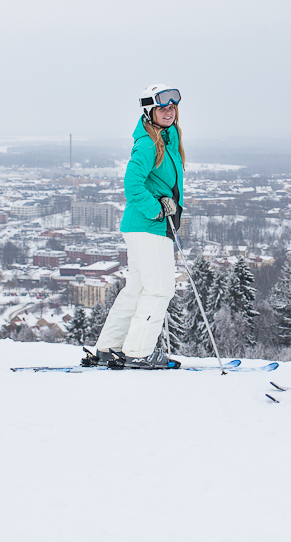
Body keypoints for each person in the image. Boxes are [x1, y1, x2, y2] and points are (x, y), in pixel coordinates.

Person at [85, 84, 185, 369]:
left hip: (142, 227)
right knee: (160, 290)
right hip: (148, 226)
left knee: (138, 288)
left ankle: (110, 347)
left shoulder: (168, 136)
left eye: (172, 107)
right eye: (162, 107)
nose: (169, 111)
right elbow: (132, 184)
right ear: (149, 111)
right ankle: (139, 351)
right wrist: (156, 209)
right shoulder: (148, 143)